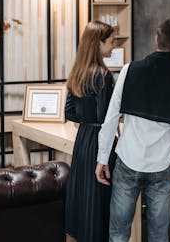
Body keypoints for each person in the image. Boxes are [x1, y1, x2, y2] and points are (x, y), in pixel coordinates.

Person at [96, 18, 170, 242]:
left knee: (118, 233)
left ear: (157, 38)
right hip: (160, 167)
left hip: (128, 161)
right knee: (158, 234)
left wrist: (102, 158)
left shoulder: (130, 70)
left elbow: (110, 119)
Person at [64, 20, 117, 242]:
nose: (114, 46)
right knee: (99, 200)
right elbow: (107, 117)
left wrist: (87, 119)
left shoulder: (78, 71)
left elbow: (69, 112)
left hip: (83, 138)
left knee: (84, 198)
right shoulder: (103, 75)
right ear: (98, 43)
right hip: (100, 142)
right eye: (111, 41)